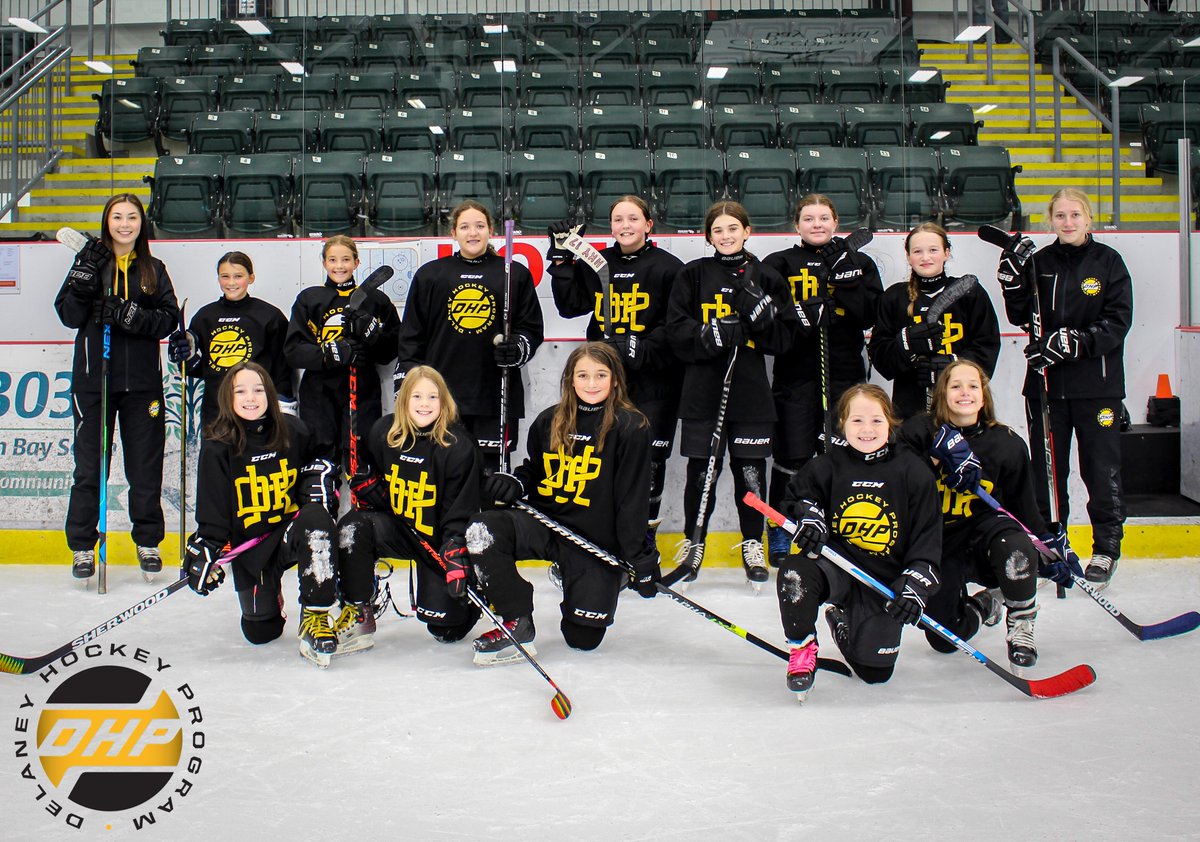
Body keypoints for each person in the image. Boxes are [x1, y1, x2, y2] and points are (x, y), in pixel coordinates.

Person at [464, 342, 655, 666]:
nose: (591, 383)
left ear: (615, 380)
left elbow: (631, 500)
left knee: (583, 639)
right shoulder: (549, 421)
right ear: (569, 379)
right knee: (483, 529)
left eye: (600, 375)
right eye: (583, 375)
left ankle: (602, 577)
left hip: (592, 541)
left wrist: (639, 558)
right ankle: (517, 618)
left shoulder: (631, 427)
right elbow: (535, 471)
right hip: (546, 523)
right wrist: (516, 482)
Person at [898, 360, 1080, 669]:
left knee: (1015, 546)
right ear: (942, 393)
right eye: (955, 386)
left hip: (988, 536)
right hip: (940, 541)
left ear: (984, 395)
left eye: (973, 386)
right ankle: (986, 604)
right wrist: (938, 460)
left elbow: (1025, 513)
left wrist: (1048, 548)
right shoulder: (918, 431)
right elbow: (897, 475)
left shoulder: (1007, 444)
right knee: (944, 638)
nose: (964, 392)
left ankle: (1021, 625)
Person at [997, 188, 1133, 588]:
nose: (1068, 222)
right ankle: (1052, 546)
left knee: (1100, 467)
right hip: (1046, 387)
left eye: (1076, 215)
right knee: (1047, 474)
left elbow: (1118, 321)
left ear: (1088, 219)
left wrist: (1073, 342)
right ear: (1050, 220)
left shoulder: (1108, 262)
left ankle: (1106, 547)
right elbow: (1022, 314)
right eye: (1060, 215)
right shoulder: (1041, 262)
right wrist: (1011, 281)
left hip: (1098, 387)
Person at [184, 362, 357, 668]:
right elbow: (213, 510)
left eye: (258, 389)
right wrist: (205, 550)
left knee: (316, 519)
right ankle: (271, 596)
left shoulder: (293, 430)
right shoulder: (218, 446)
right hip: (252, 548)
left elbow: (321, 460)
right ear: (228, 397)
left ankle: (315, 613)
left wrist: (316, 484)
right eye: (241, 391)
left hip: (291, 531)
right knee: (260, 631)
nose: (251, 397)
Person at [779, 384, 942, 702]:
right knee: (795, 571)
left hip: (883, 584)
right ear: (843, 424)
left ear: (890, 422)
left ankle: (841, 621)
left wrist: (914, 588)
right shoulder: (827, 466)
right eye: (857, 421)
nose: (867, 429)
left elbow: (928, 540)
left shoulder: (913, 472)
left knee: (875, 673)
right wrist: (809, 516)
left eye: (876, 421)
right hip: (837, 571)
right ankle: (802, 648)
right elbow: (796, 498)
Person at [666, 200, 797, 589]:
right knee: (701, 472)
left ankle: (753, 544)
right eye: (718, 230)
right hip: (703, 390)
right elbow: (676, 329)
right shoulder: (692, 275)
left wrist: (762, 319)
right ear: (709, 235)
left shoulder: (767, 276)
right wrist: (713, 334)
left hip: (751, 391)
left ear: (746, 231)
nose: (726, 236)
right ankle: (695, 543)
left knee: (751, 473)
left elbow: (783, 339)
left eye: (733, 228)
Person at [53, 193, 180, 580]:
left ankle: (147, 540)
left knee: (144, 467)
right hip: (94, 384)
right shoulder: (89, 261)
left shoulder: (153, 269)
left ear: (142, 224)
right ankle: (82, 547)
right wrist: (82, 283)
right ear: (107, 221)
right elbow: (68, 315)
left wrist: (131, 315)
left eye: (132, 217)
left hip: (142, 386)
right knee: (89, 469)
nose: (125, 224)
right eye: (117, 217)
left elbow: (168, 318)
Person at [548, 196, 683, 550]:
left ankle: (642, 543)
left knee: (650, 465)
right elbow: (569, 305)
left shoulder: (670, 268)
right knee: (601, 457)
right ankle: (600, 539)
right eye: (618, 219)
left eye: (633, 219)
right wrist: (562, 260)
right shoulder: (598, 262)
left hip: (653, 384)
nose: (625, 225)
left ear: (648, 224)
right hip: (603, 384)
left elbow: (677, 328)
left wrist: (641, 347)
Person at [762, 194, 883, 568]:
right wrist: (800, 314)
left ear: (835, 222)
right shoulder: (779, 263)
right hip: (794, 373)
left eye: (824, 217)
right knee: (791, 455)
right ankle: (781, 525)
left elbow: (868, 316)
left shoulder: (859, 261)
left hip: (844, 373)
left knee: (841, 453)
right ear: (796, 225)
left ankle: (844, 525)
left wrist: (847, 286)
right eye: (809, 218)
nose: (817, 224)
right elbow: (765, 315)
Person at [338, 365, 483, 647]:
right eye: (417, 397)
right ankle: (358, 609)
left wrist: (455, 545)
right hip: (398, 528)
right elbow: (364, 467)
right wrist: (368, 487)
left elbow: (462, 507)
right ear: (404, 400)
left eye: (432, 397)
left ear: (444, 402)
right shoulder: (384, 432)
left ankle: (471, 601)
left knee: (446, 630)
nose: (424, 404)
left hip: (437, 540)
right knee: (352, 528)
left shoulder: (459, 446)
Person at [395, 200, 544, 472]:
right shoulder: (431, 275)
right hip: (441, 396)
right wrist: (407, 381)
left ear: (491, 231)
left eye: (479, 226)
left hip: (494, 393)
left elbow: (531, 329)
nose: (472, 233)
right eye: (465, 227)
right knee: (442, 472)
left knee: (489, 476)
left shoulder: (514, 274)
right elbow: (411, 336)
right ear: (453, 233)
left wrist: (517, 348)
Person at [283, 235, 401, 473]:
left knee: (363, 457)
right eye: (333, 260)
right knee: (320, 456)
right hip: (319, 392)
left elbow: (390, 351)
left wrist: (372, 335)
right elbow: (293, 350)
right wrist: (329, 353)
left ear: (356, 262)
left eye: (346, 259)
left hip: (362, 390)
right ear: (324, 263)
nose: (340, 266)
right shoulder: (309, 299)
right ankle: (321, 507)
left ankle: (363, 507)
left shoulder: (376, 300)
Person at [869, 221, 1000, 421]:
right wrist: (906, 345)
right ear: (908, 256)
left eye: (933, 250)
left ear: (946, 253)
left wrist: (952, 365)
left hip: (962, 405)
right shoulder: (894, 297)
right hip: (910, 406)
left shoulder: (969, 292)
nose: (925, 257)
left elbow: (987, 345)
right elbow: (881, 358)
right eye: (918, 251)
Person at [168, 250, 293, 428]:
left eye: (238, 276)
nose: (231, 282)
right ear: (218, 278)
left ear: (251, 278)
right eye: (225, 276)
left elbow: (282, 369)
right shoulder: (204, 317)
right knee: (215, 454)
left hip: (256, 406)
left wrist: (283, 405)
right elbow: (198, 368)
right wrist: (183, 357)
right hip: (215, 408)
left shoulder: (270, 316)